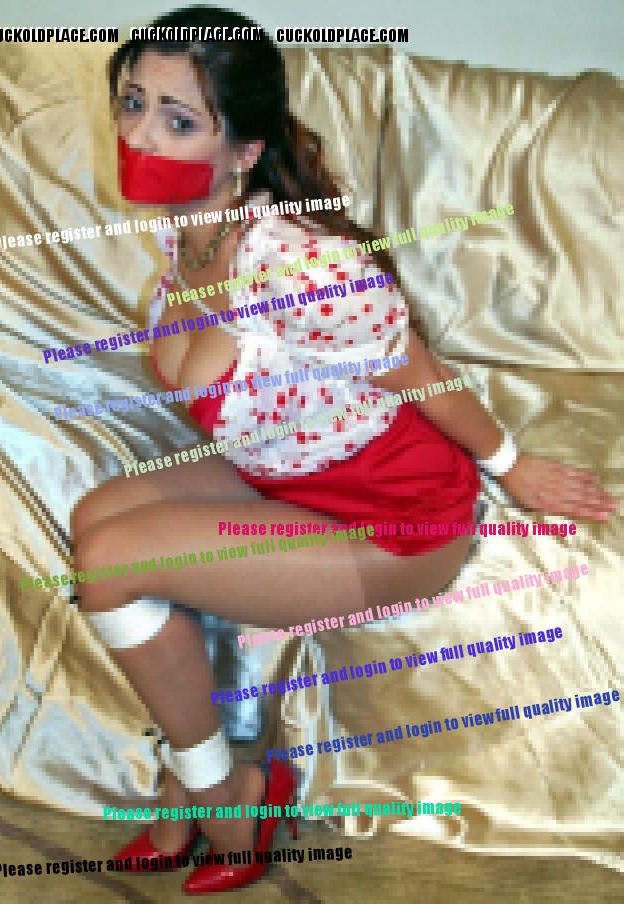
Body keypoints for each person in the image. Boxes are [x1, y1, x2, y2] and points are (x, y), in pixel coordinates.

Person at [72, 5, 617, 895]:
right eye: (133, 102)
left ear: (243, 150)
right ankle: (200, 764)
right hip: (289, 472)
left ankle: (223, 792)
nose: (139, 136)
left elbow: (420, 372)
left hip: (394, 520)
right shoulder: (193, 227)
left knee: (113, 560)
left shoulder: (303, 267)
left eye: (178, 120)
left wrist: (513, 467)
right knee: (96, 514)